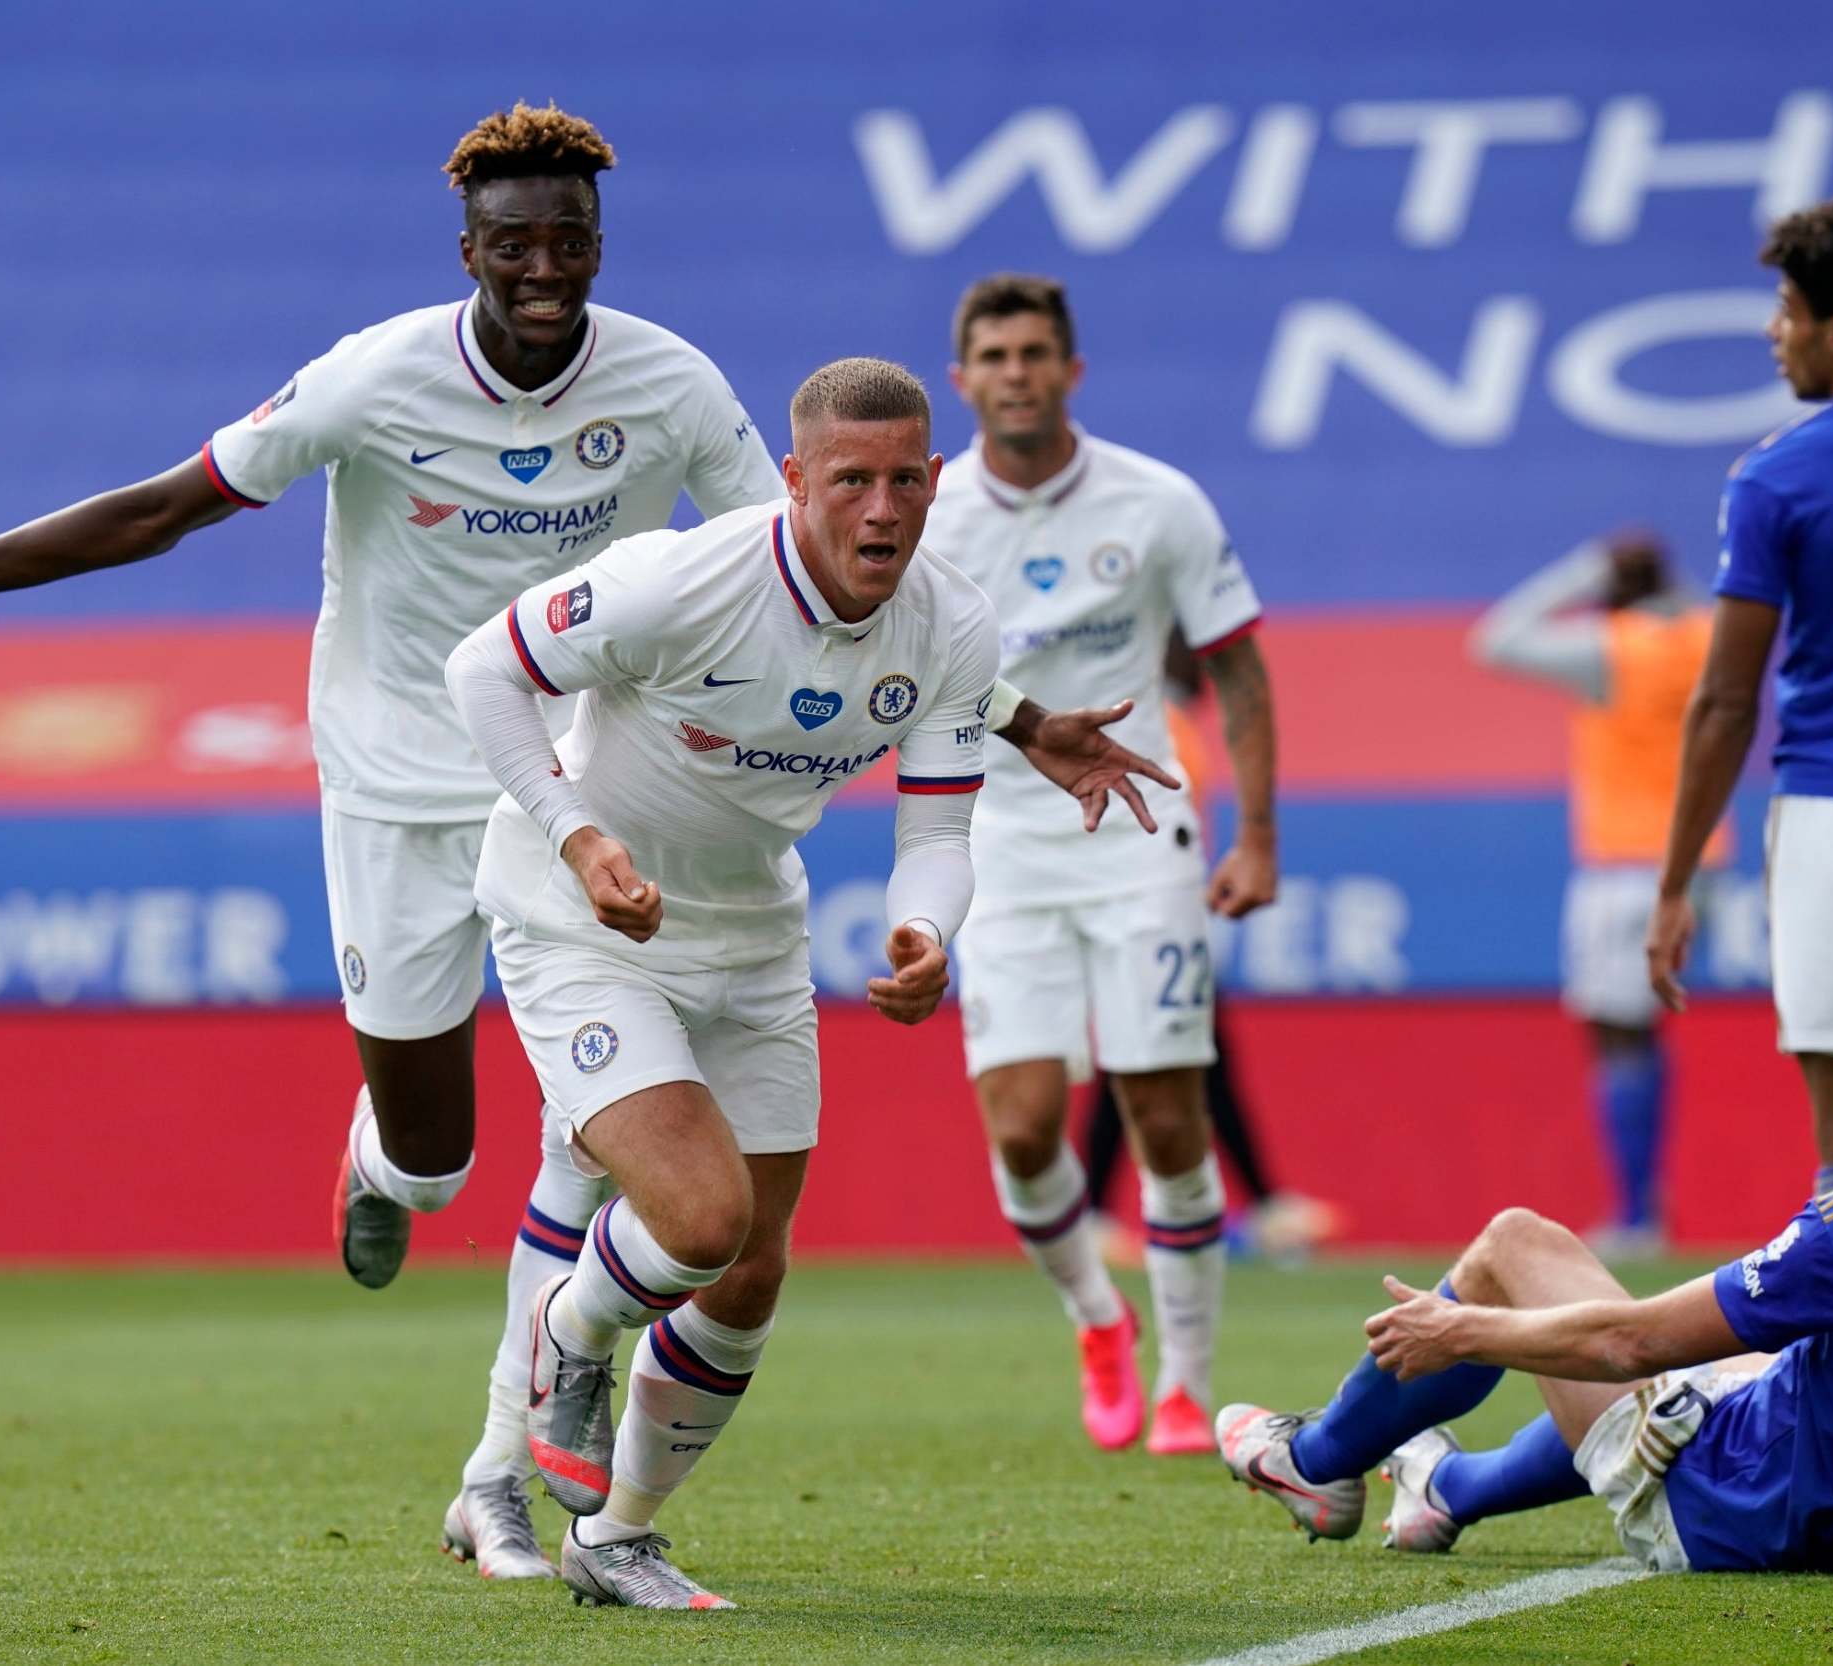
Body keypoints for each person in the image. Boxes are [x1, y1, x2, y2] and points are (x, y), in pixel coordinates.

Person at [0, 107, 1166, 1584]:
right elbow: (167, 506)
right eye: (513, 245)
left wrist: (1018, 717)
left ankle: (506, 1475)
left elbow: (836, 574)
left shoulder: (670, 383)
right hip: (405, 786)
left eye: (570, 242)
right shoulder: (374, 375)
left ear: (600, 247)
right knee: (436, 1154)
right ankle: (387, 1175)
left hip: (604, 803)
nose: (545, 268)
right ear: (466, 252)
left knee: (634, 1168)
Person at [445, 358, 1176, 1609]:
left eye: (904, 480)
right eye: (851, 482)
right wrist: (573, 830)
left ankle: (615, 1537)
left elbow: (937, 837)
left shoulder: (951, 624)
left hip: (755, 932)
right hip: (584, 917)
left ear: (936, 482)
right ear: (795, 481)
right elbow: (481, 671)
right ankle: (569, 1333)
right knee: (697, 1218)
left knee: (749, 1272)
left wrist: (923, 936)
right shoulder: (681, 579)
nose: (880, 509)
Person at [923, 274, 1280, 1455]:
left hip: (1139, 834)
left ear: (1070, 372)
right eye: (994, 354)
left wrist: (1260, 834)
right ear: (962, 376)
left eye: (1035, 352)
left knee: (1166, 1114)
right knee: (1022, 1131)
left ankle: (1185, 1379)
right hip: (1002, 846)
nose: (1015, 371)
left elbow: (1235, 664)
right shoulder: (927, 514)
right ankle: (1096, 1315)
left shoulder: (1157, 500)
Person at [1216, 1187, 1833, 1573]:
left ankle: (1314, 1463)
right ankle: (1445, 1490)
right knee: (1762, 1360)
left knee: (1511, 1244)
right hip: (1827, 1520)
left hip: (1725, 1508)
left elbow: (1630, 1343)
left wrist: (1460, 1332)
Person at [1648, 193, 1833, 1204]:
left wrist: (1674, 882)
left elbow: (1726, 701)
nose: (1774, 333)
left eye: (1784, 308)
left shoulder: (1778, 477)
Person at [1471, 530, 1730, 1254]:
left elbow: (1495, 639)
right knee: (1638, 1028)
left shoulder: (1610, 650)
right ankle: (1642, 1204)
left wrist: (1581, 571)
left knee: (1616, 1032)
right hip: (1695, 856)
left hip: (1625, 862)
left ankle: (1637, 1212)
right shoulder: (1703, 636)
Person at [1082, 631, 1339, 1267]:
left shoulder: (1167, 722)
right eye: (1184, 649)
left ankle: (1097, 1213)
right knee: (1166, 1060)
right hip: (1145, 920)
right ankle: (1257, 1205)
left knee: (1169, 1059)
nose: (1201, 664)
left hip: (1161, 917)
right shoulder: (1152, 722)